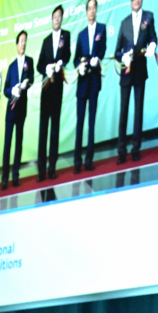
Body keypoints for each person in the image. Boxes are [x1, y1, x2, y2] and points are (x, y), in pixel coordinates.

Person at [114, 0, 157, 164]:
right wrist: (123, 56)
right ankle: (121, 150)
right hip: (126, 73)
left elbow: (153, 38)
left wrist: (152, 45)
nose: (136, 1)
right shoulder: (124, 22)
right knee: (123, 111)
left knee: (138, 111)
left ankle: (136, 149)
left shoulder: (149, 17)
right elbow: (117, 51)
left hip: (140, 71)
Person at [36, 5, 71, 181]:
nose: (56, 19)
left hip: (57, 90)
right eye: (54, 17)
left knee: (55, 129)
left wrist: (61, 63)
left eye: (59, 16)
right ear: (51, 20)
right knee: (43, 130)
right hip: (46, 90)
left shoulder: (66, 36)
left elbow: (68, 56)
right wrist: (46, 68)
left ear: (62, 19)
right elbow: (39, 65)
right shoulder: (46, 41)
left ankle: (52, 168)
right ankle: (41, 170)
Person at [73, 0, 107, 174]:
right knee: (80, 123)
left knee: (91, 122)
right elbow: (75, 59)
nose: (92, 11)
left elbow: (102, 50)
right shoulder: (81, 35)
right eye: (89, 8)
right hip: (82, 84)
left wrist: (97, 59)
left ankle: (89, 160)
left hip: (94, 82)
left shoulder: (102, 29)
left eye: (94, 8)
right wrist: (79, 66)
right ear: (86, 12)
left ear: (96, 10)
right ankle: (77, 161)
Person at [2, 31, 34, 190]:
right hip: (10, 111)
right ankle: (4, 178)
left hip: (22, 109)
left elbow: (32, 79)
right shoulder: (12, 66)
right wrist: (12, 91)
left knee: (19, 143)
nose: (23, 43)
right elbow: (5, 89)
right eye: (21, 41)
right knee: (7, 144)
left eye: (25, 41)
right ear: (16, 45)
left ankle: (15, 176)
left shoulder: (30, 61)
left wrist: (26, 84)